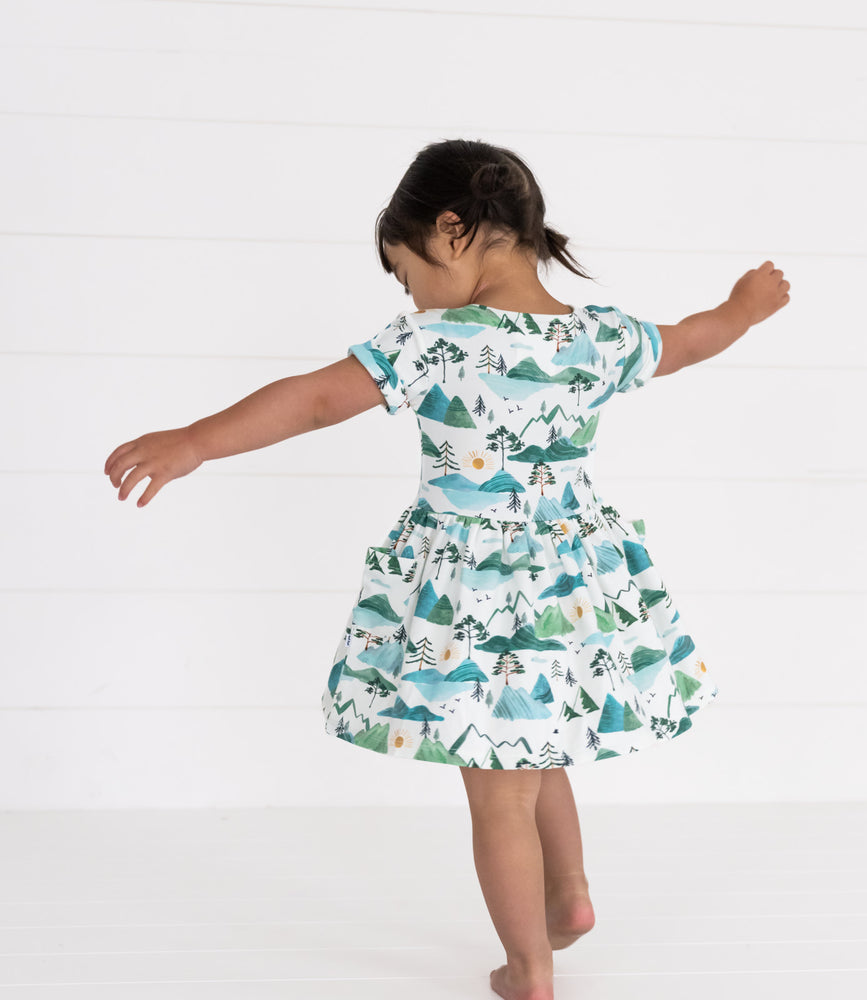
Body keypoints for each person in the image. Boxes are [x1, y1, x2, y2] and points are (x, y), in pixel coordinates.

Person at [104, 137, 790, 1000]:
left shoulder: (436, 342)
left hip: (478, 593)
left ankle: (529, 970)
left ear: (453, 231)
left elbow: (316, 401)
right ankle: (568, 897)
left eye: (405, 270)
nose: (410, 293)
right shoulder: (601, 337)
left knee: (499, 793)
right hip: (577, 588)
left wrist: (196, 440)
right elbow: (694, 341)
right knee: (538, 753)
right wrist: (746, 305)